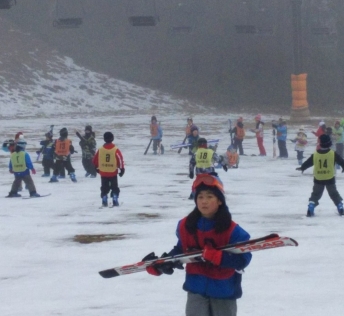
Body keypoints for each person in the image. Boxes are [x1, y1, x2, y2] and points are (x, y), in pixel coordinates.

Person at [143, 173, 252, 316]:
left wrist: (219, 257)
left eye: (209, 197)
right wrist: (162, 264)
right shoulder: (186, 226)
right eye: (200, 197)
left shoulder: (232, 230)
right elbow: (181, 249)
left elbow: (243, 260)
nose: (204, 201)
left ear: (220, 201)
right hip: (196, 289)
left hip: (224, 291)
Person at [296, 134, 344, 217]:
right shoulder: (332, 153)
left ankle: (311, 206)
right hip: (329, 177)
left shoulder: (316, 154)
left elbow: (308, 162)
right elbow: (342, 162)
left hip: (318, 177)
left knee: (316, 194)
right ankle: (340, 206)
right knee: (334, 194)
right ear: (329, 143)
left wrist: (302, 167)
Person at [93, 132, 125, 207]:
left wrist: (96, 167)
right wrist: (122, 169)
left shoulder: (100, 150)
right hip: (113, 172)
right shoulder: (115, 149)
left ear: (104, 139)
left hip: (103, 172)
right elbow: (120, 159)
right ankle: (114, 198)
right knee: (114, 187)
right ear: (112, 138)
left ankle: (104, 198)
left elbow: (95, 160)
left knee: (104, 187)